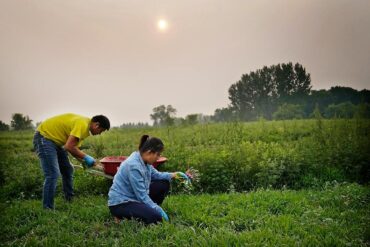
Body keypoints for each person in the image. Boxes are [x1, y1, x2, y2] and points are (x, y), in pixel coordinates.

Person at [33, 113, 110, 209]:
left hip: (57, 142)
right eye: (101, 130)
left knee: (68, 170)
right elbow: (69, 146)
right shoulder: (82, 124)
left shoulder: (85, 127)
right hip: (45, 138)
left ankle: (69, 200)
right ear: (96, 125)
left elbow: (74, 149)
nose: (100, 133)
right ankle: (47, 208)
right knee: (52, 174)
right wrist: (87, 157)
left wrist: (84, 161)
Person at [108, 135, 190, 225]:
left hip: (135, 197)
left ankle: (146, 210)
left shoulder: (144, 161)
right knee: (155, 217)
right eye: (158, 154)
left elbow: (156, 175)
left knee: (163, 184)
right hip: (121, 203)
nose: (158, 158)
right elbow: (142, 196)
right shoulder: (133, 166)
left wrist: (174, 175)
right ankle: (121, 216)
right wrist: (158, 210)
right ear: (149, 152)